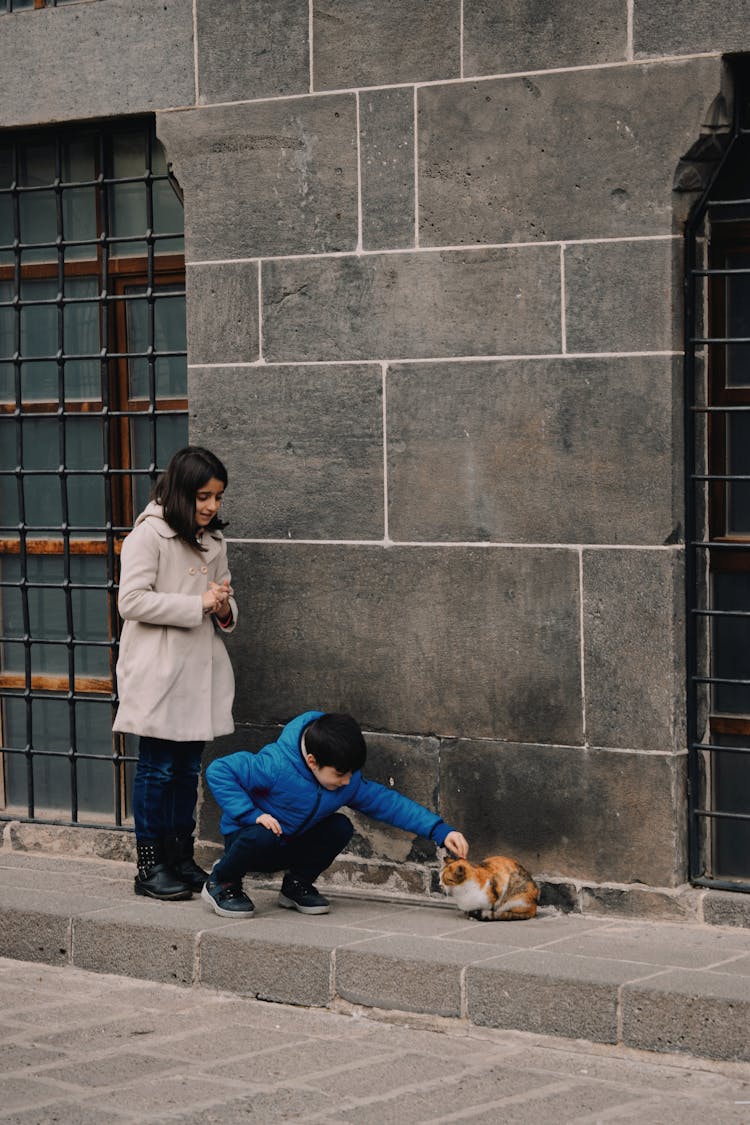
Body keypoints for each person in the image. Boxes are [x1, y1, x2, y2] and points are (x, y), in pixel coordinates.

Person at [113, 446, 238, 901]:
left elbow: (221, 601)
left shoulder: (213, 541)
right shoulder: (147, 536)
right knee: (157, 769)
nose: (211, 506)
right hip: (159, 668)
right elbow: (130, 601)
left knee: (186, 771)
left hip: (199, 670)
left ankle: (180, 858)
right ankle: (149, 867)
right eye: (204, 495)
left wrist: (223, 605)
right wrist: (196, 604)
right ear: (182, 491)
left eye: (218, 497)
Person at [201, 710, 469, 917]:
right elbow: (219, 770)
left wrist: (441, 831)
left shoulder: (346, 781)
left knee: (340, 826)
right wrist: (251, 814)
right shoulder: (275, 765)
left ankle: (296, 885)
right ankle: (222, 882)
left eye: (351, 773)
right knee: (261, 835)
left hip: (291, 843)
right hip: (251, 843)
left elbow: (389, 804)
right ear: (312, 761)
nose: (346, 781)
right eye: (340, 774)